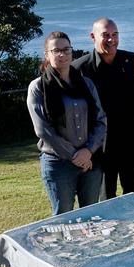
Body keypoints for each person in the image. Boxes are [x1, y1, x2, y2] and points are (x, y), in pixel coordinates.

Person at [26, 31, 107, 215]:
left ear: (72, 52)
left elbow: (101, 121)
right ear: (47, 54)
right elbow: (43, 130)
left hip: (90, 161)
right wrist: (75, 156)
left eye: (66, 49)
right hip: (59, 164)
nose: (62, 54)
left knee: (91, 215)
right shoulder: (38, 87)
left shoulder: (86, 84)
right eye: (56, 50)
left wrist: (88, 152)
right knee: (63, 217)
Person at [72, 17, 134, 199]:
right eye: (105, 35)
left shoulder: (131, 60)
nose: (111, 40)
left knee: (133, 192)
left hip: (130, 139)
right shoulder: (80, 69)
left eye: (115, 34)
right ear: (92, 36)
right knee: (105, 194)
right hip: (100, 144)